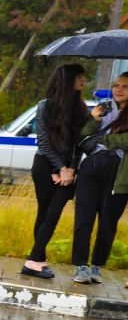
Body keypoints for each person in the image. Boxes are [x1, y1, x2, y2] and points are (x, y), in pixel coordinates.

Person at [21, 63, 90, 279]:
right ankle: (37, 260)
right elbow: (43, 144)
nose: (83, 81)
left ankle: (33, 260)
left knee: (54, 213)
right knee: (45, 212)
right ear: (67, 80)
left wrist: (71, 170)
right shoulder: (45, 107)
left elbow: (79, 144)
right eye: (79, 76)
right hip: (44, 166)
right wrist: (57, 168)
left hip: (68, 171)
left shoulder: (81, 109)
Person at [73, 72, 128, 284]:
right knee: (84, 219)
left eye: (125, 86)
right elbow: (83, 135)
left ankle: (96, 266)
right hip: (93, 166)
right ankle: (80, 266)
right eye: (116, 85)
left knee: (108, 222)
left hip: (119, 172)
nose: (119, 89)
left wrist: (104, 139)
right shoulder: (104, 108)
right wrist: (94, 119)